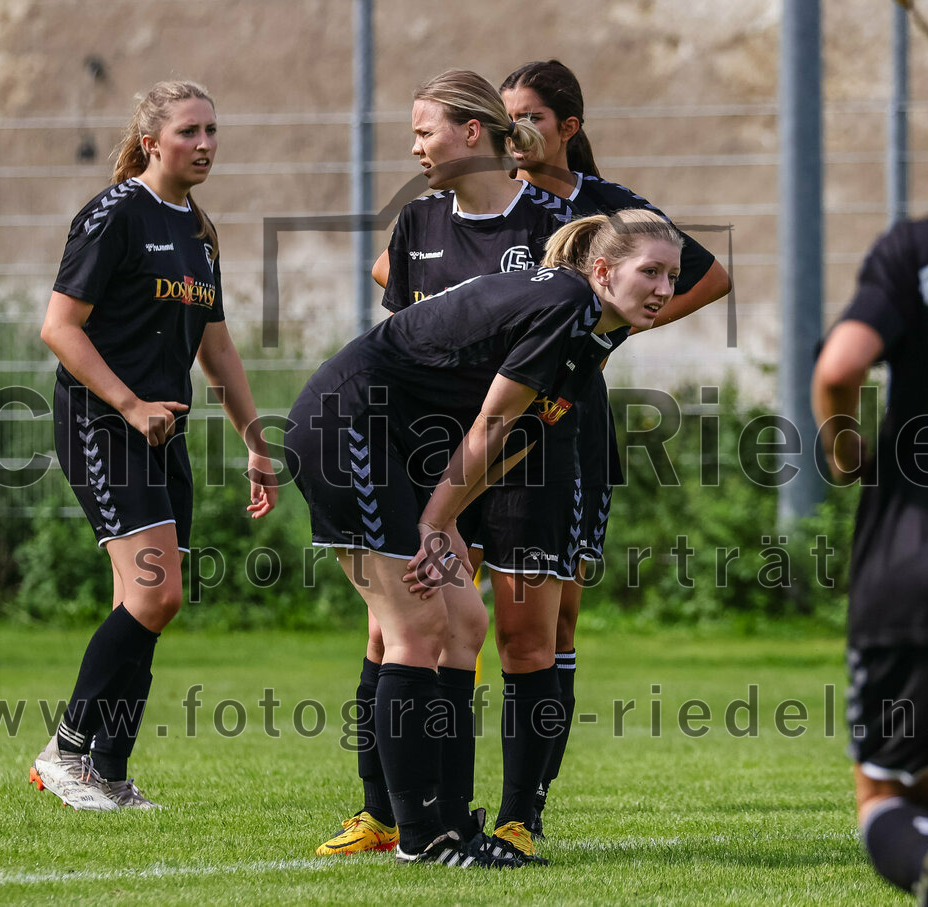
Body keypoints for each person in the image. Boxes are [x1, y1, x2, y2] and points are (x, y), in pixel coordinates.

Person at [287, 208, 683, 866]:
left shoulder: (594, 331)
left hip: (390, 441)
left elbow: (515, 442)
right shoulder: (564, 302)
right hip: (346, 425)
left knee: (463, 622)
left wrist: (438, 521)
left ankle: (449, 822)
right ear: (605, 270)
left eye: (673, 274)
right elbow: (491, 427)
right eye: (651, 272)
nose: (666, 289)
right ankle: (422, 836)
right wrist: (435, 523)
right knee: (414, 630)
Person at [317, 68, 574, 858]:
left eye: (424, 130)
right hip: (422, 454)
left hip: (520, 454)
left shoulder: (556, 226)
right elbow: (400, 348)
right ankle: (395, 815)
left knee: (515, 631)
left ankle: (508, 819)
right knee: (404, 623)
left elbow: (551, 367)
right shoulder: (418, 221)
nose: (416, 147)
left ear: (473, 131)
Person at [497, 59, 732, 842]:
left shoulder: (611, 210)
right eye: (503, 115)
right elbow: (398, 265)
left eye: (528, 115)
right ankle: (403, 804)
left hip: (570, 422)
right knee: (448, 617)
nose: (511, 129)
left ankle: (527, 804)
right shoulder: (488, 198)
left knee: (557, 621)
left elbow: (709, 273)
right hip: (477, 421)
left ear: (568, 125)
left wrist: (625, 323)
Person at [29, 80, 277, 811]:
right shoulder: (113, 216)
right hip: (104, 424)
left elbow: (218, 346)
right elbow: (59, 327)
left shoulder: (200, 230)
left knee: (152, 601)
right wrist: (129, 404)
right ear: (150, 142)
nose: (204, 145)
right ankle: (64, 751)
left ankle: (108, 769)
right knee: (156, 591)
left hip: (163, 430)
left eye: (212, 130)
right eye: (189, 131)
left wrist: (256, 441)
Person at [812, 58, 928, 907]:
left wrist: (845, 450)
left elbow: (841, 365)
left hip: (920, 566)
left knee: (883, 788)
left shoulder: (918, 248)